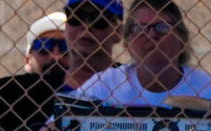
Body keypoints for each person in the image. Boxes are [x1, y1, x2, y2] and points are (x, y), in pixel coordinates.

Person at [0, 0, 123, 131]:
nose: (86, 26)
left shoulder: (131, 81)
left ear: (118, 32)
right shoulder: (36, 88)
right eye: (76, 17)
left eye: (98, 19)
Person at [69, 0, 211, 107]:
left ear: (182, 40)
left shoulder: (206, 88)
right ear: (127, 43)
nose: (151, 35)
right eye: (140, 29)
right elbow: (60, 120)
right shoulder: (105, 84)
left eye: (162, 27)